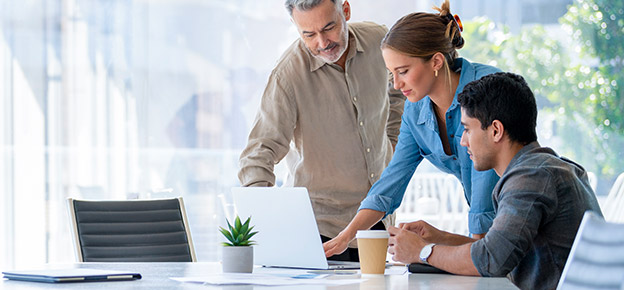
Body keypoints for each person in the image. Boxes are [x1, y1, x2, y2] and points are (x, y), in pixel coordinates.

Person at [387, 72, 603, 290]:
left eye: (468, 129)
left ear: (496, 130)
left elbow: (491, 259)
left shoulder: (531, 178)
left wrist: (423, 252)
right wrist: (438, 238)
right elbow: (497, 250)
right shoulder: (544, 168)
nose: (462, 141)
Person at [323, 0, 501, 258]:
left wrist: (461, 254)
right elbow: (390, 184)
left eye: (403, 71)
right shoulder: (416, 111)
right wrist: (346, 237)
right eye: (391, 73)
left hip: (524, 220)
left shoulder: (486, 89)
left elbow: (485, 189)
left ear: (436, 61)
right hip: (493, 236)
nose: (396, 85)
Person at [238, 0, 405, 262]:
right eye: (308, 34)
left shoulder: (378, 41)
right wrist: (267, 223)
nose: (322, 42)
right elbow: (259, 152)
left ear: (345, 11)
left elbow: (399, 90)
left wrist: (392, 140)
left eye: (329, 27)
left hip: (378, 222)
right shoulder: (288, 76)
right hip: (320, 231)